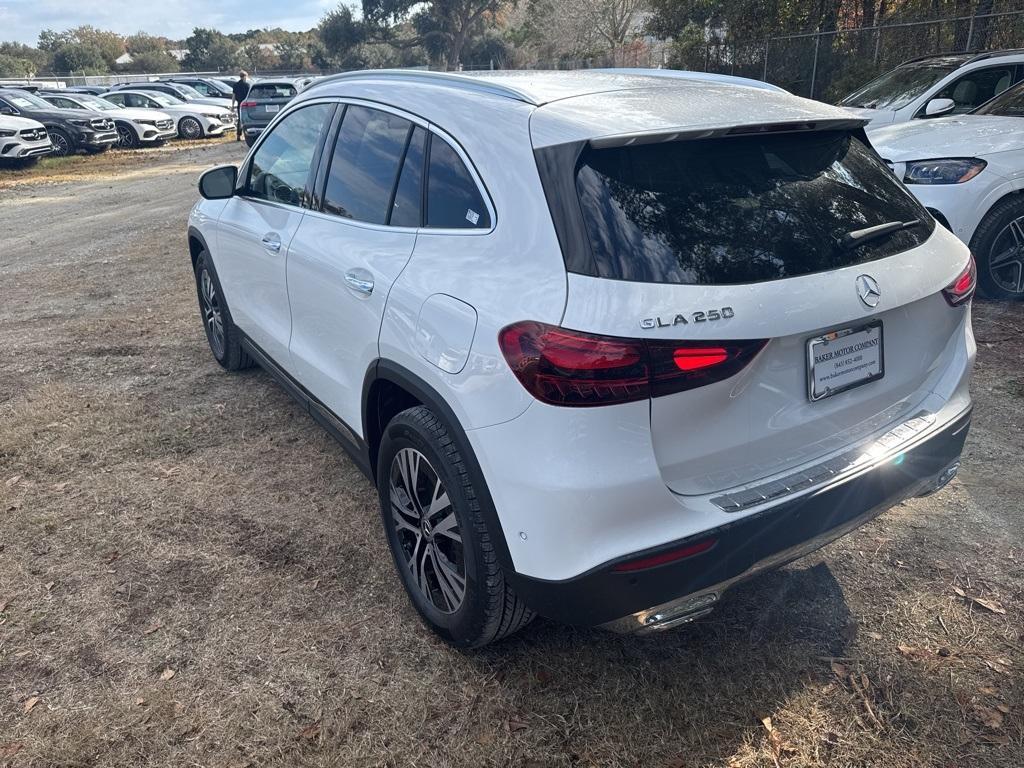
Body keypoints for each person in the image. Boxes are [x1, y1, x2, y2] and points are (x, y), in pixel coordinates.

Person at [231, 71, 251, 141]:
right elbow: (249, 96)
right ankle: (247, 134)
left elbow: (233, 96)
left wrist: (232, 106)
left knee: (240, 119)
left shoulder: (235, 85)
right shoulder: (247, 85)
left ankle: (238, 135)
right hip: (246, 104)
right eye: (246, 77)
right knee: (247, 119)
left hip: (239, 104)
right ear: (245, 76)